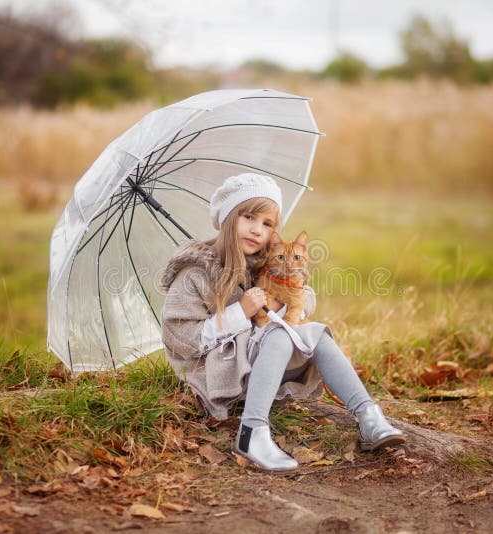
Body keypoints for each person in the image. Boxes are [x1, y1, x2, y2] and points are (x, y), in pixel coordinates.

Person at [159, 173, 405, 471]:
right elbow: (183, 338)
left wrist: (284, 303)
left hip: (260, 367)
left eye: (268, 224)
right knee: (279, 335)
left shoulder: (265, 261)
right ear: (228, 218)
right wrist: (242, 312)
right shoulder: (195, 274)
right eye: (248, 217)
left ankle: (368, 416)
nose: (257, 230)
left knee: (314, 333)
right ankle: (252, 432)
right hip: (218, 375)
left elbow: (303, 291)